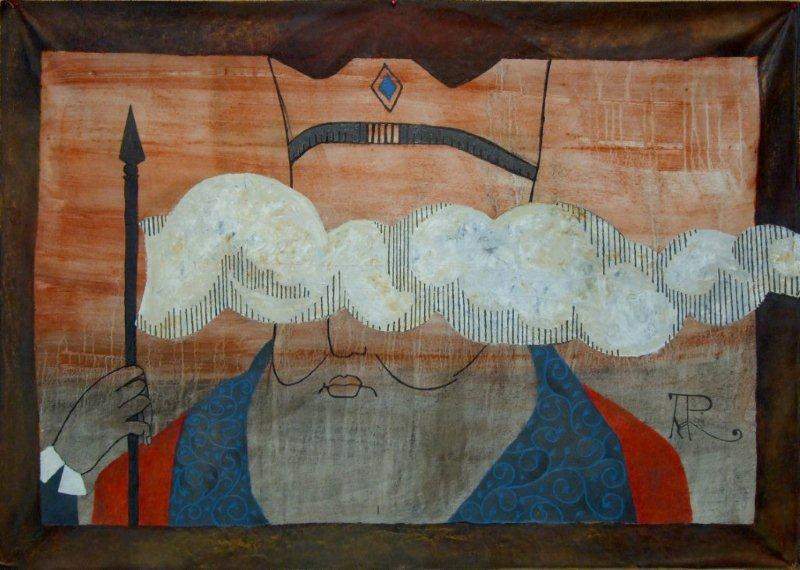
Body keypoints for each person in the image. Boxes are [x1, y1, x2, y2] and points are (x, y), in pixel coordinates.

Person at [41, 57, 692, 526]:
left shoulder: (630, 472)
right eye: (325, 276)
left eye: (397, 286)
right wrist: (61, 468)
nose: (341, 336)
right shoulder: (158, 477)